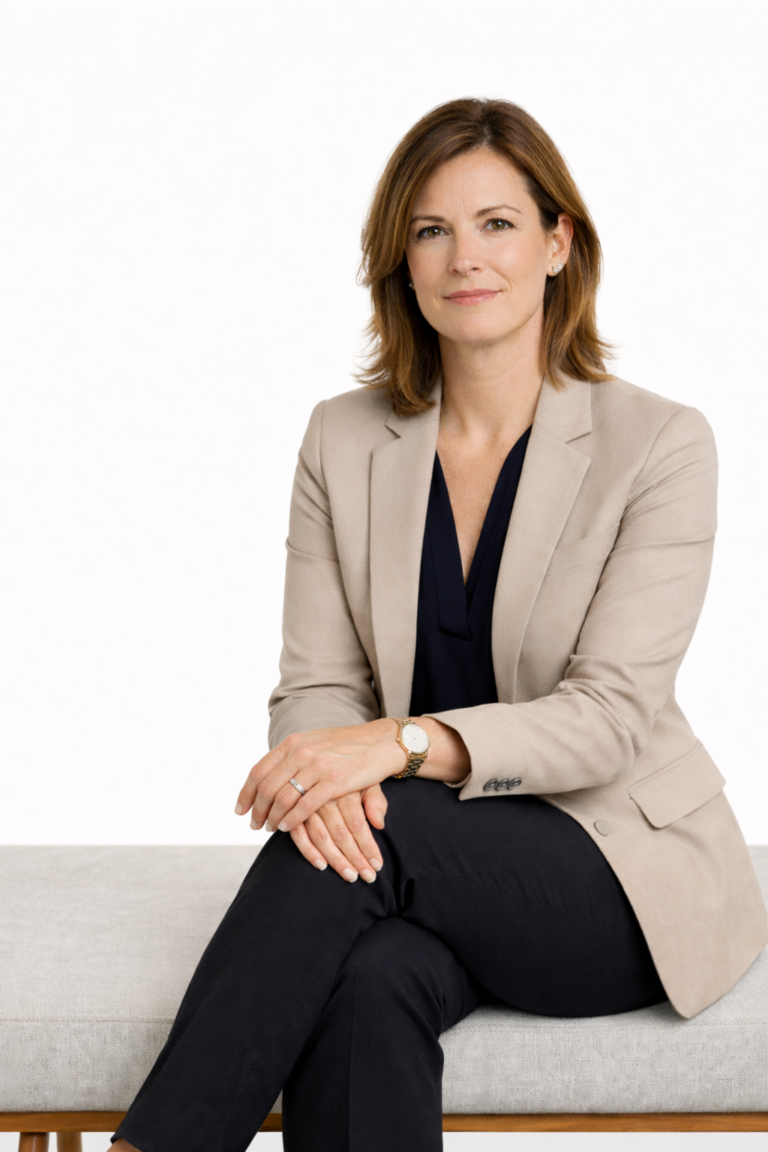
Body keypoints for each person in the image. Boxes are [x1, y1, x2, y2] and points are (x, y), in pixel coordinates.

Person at [110, 97, 768, 1152]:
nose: (466, 256)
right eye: (431, 229)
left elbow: (605, 720)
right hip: (423, 868)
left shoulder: (661, 445)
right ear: (401, 263)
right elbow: (317, 683)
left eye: (499, 223)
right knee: (366, 982)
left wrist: (397, 747)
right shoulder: (344, 437)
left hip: (616, 876)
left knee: (379, 829)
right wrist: (338, 770)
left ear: (559, 243)